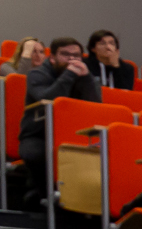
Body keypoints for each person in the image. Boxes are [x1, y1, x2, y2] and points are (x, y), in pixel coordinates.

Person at [17, 38, 100, 205]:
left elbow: (95, 107)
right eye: (65, 55)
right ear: (52, 58)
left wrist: (86, 78)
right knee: (34, 154)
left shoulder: (83, 75)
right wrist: (69, 74)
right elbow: (50, 100)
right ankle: (44, 195)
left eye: (76, 55)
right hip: (39, 134)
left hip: (72, 136)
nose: (72, 59)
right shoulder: (37, 74)